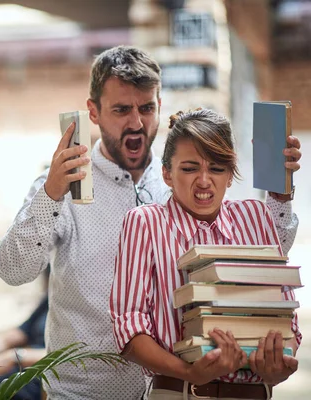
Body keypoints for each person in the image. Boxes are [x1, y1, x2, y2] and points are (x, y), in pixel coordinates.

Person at [0, 46, 302, 399]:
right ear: (93, 111)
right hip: (83, 393)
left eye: (147, 108)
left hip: (172, 390)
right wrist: (51, 193)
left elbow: (262, 257)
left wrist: (281, 191)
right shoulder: (63, 187)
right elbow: (12, 270)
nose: (137, 123)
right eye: (122, 110)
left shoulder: (185, 176)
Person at [110, 108, 301, 399]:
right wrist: (189, 372)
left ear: (230, 174)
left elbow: (285, 316)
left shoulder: (255, 216)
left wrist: (279, 365)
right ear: (167, 174)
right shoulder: (145, 223)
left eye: (216, 168)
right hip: (181, 392)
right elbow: (128, 325)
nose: (203, 180)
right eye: (189, 168)